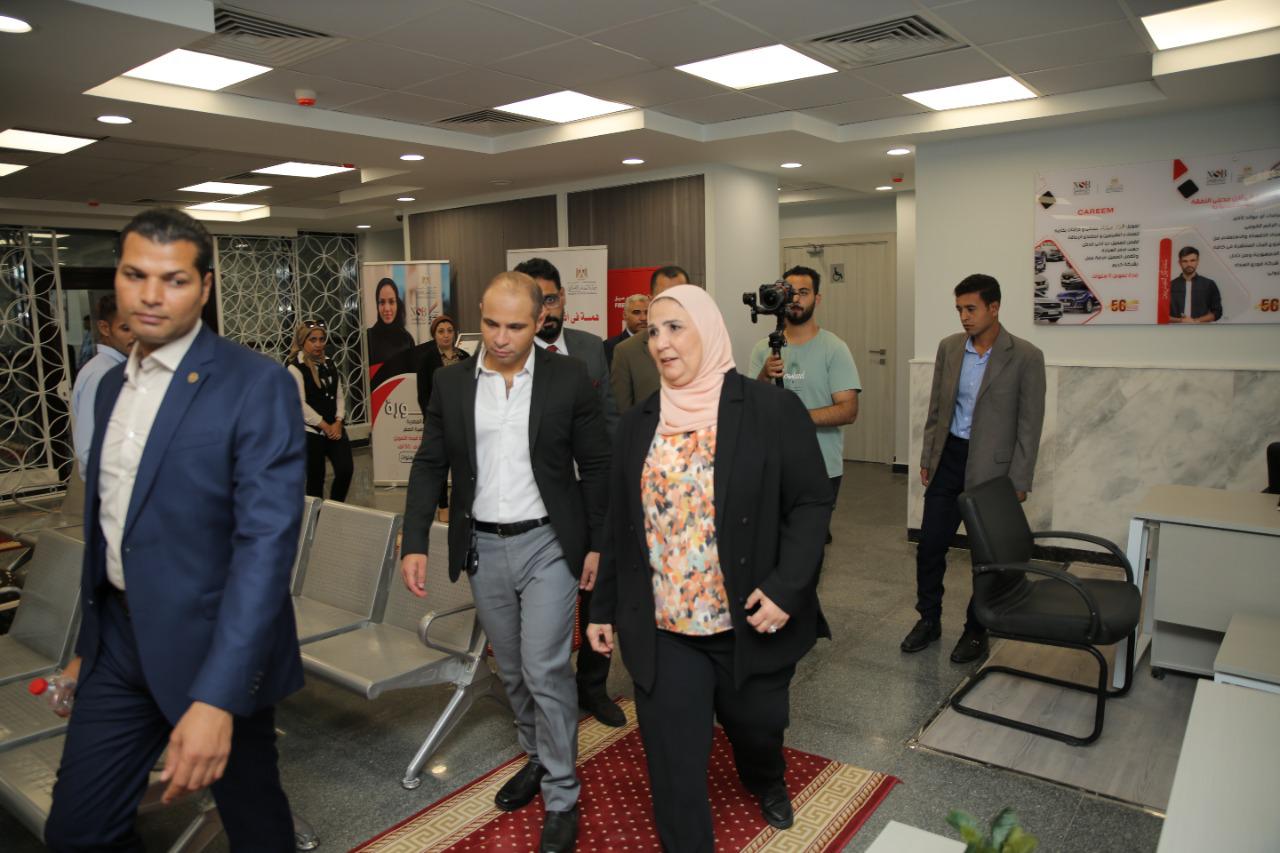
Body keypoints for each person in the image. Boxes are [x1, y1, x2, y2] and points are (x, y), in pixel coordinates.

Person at [45, 208, 306, 851]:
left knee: (255, 825)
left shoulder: (255, 384)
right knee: (77, 831)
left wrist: (217, 698)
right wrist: (88, 647)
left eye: (175, 279)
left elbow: (264, 550)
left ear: (205, 286)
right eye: (136, 275)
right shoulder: (110, 388)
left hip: (215, 646)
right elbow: (112, 527)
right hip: (119, 644)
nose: (152, 295)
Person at [588, 285, 831, 851]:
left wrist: (786, 588)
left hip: (748, 618)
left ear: (709, 330)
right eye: (653, 331)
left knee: (758, 729)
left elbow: (811, 502)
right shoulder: (638, 424)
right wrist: (602, 607)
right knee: (673, 764)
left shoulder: (771, 410)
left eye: (676, 327)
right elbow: (621, 523)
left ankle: (766, 777)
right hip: (665, 628)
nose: (661, 342)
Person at [400, 271, 610, 853]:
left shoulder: (568, 377)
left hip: (548, 543)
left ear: (540, 320)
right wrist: (414, 539)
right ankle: (537, 754)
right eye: (491, 323)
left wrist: (597, 543)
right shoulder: (452, 383)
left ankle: (562, 793)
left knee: (545, 666)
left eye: (515, 326)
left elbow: (598, 465)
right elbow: (429, 463)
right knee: (511, 669)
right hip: (483, 545)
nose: (500, 337)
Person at [905, 273, 1046, 663]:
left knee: (987, 557)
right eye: (959, 310)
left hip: (993, 471)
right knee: (930, 546)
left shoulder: (1026, 356)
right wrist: (928, 458)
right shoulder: (950, 348)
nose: (964, 317)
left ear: (993, 307)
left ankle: (976, 628)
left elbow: (1029, 425)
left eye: (971, 309)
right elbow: (937, 409)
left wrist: (1019, 479)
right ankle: (928, 619)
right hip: (949, 458)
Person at [748, 266, 859, 542]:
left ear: (817, 299)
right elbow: (751, 406)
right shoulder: (763, 349)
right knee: (770, 543)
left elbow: (848, 410)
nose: (796, 299)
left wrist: (796, 418)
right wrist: (764, 375)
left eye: (804, 292)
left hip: (821, 466)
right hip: (773, 465)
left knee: (810, 546)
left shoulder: (834, 348)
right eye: (790, 292)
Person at [515, 256, 618, 439]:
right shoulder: (510, 356)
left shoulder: (592, 346)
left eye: (550, 299)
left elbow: (609, 417)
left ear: (562, 296)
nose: (545, 312)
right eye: (535, 304)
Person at [287, 320, 353, 503]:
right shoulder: (295, 368)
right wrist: (324, 425)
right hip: (311, 432)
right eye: (313, 340)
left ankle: (334, 508)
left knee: (345, 470)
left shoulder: (329, 363)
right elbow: (299, 405)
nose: (318, 344)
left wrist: (338, 421)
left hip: (335, 428)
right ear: (303, 342)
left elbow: (339, 395)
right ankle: (314, 518)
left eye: (322, 339)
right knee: (316, 480)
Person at [71, 293, 134, 479]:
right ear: (105, 328)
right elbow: (89, 449)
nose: (136, 335)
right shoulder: (101, 374)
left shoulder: (123, 367)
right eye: (126, 328)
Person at [611, 265, 689, 412]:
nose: (672, 302)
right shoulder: (626, 351)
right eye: (664, 296)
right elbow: (622, 415)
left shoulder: (706, 343)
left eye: (678, 295)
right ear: (651, 299)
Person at [413, 313, 465, 521]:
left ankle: (461, 503)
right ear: (434, 335)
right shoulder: (426, 360)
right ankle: (443, 505)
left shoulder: (464, 357)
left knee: (461, 465)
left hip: (462, 422)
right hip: (439, 422)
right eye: (441, 331)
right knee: (440, 465)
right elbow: (423, 395)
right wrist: (432, 421)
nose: (446, 335)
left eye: (449, 331)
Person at [366, 277, 415, 373]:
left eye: (391, 302)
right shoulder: (368, 337)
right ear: (377, 305)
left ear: (397, 304)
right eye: (382, 302)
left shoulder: (407, 339)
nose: (387, 308)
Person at [1168, 246, 1222, 323]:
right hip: (1175, 329)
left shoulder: (1209, 284)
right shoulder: (1169, 286)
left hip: (1201, 329)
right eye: (1185, 261)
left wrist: (1195, 321)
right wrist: (1180, 320)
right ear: (1179, 262)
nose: (1189, 264)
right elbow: (1161, 314)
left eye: (1192, 260)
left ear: (1198, 261)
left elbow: (1217, 312)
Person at [604, 292, 649, 366]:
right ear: (625, 315)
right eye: (636, 312)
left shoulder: (660, 344)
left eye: (647, 312)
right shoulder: (609, 347)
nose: (644, 318)